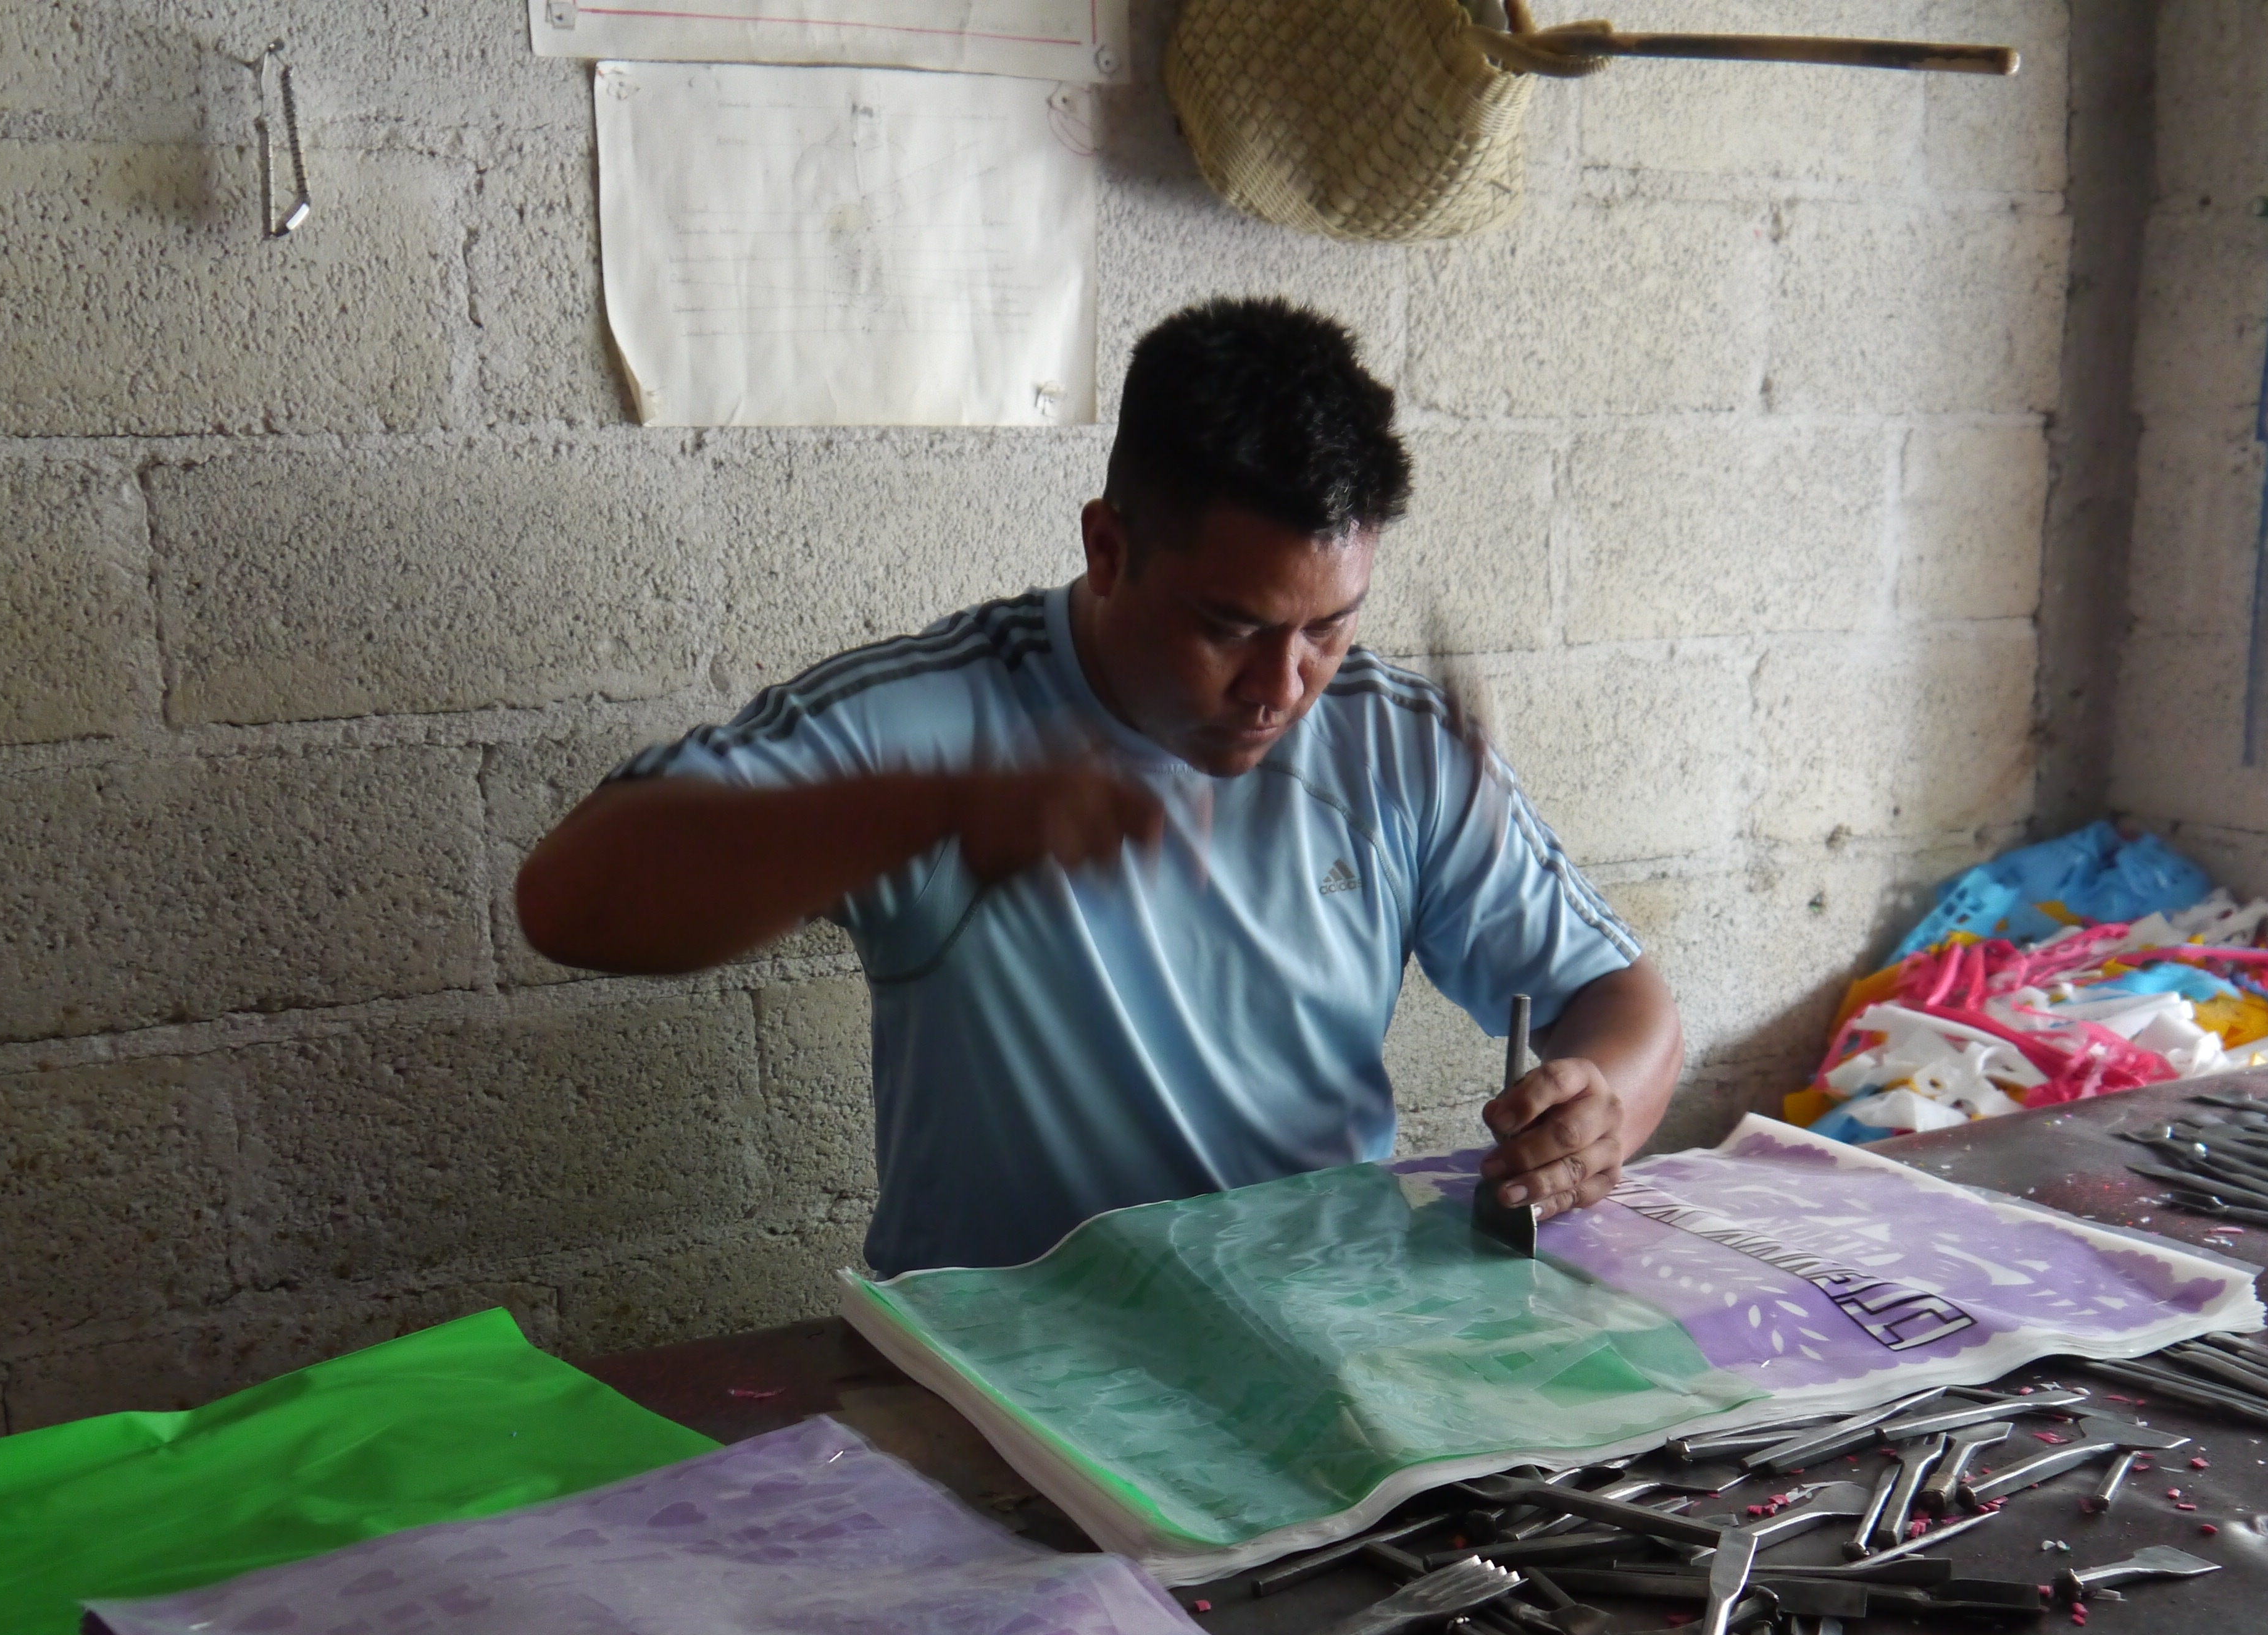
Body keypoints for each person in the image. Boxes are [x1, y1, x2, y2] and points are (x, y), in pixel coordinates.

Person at [516, 298, 1682, 1274]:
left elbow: (1625, 1007)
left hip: (1317, 1337)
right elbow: (570, 902)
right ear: (1109, 550)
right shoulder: (935, 714)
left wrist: (1597, 1113)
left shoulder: (1389, 736)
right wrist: (935, 813)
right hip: (1010, 1374)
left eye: (1328, 628)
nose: (1282, 689)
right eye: (1230, 627)